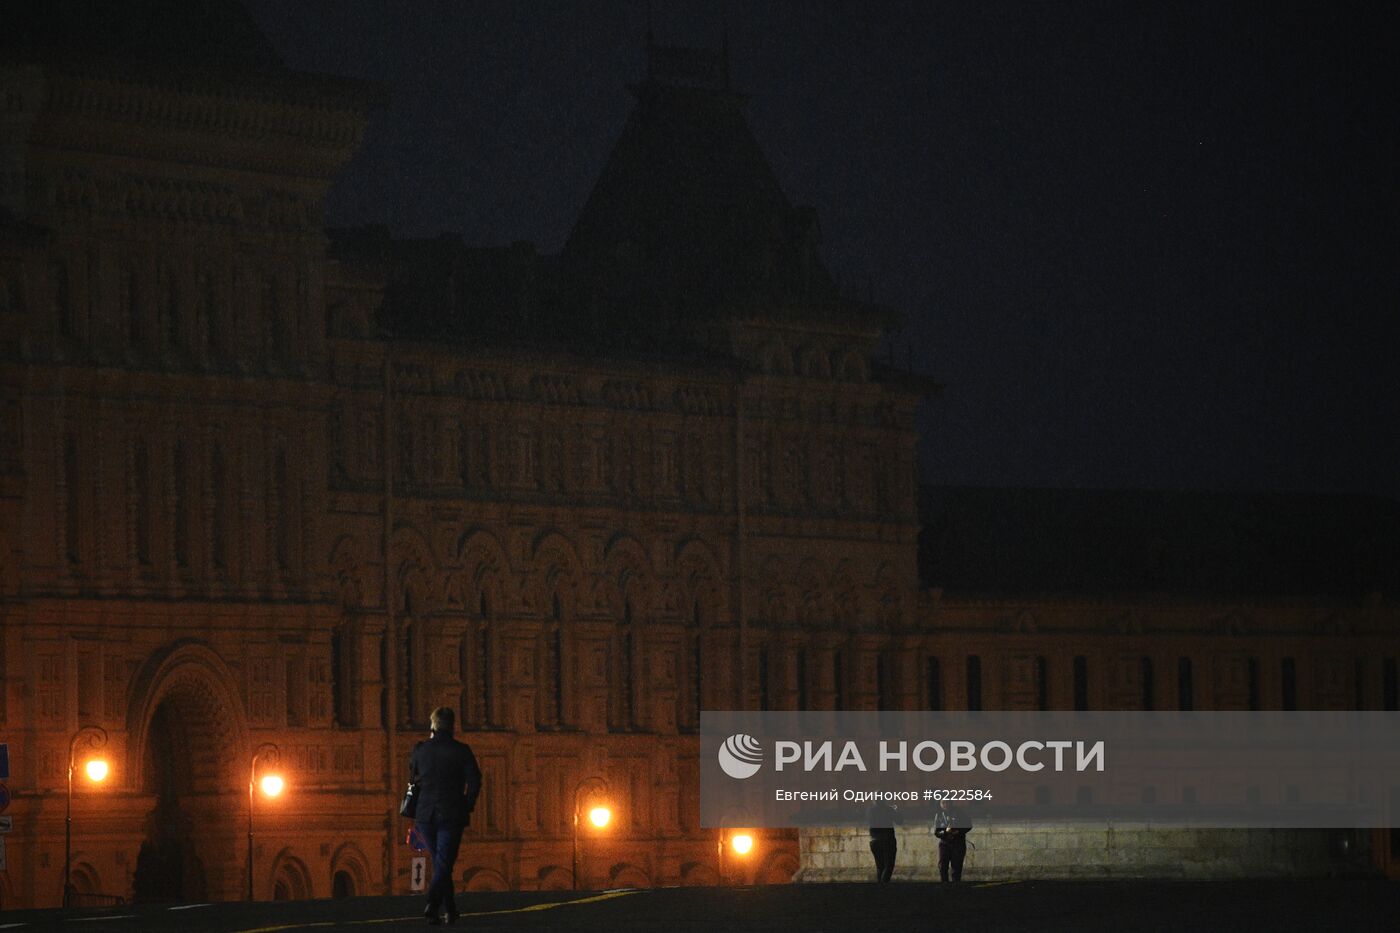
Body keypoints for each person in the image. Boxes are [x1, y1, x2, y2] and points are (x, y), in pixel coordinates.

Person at [409, 707, 482, 926]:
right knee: (443, 862)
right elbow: (475, 781)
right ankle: (432, 904)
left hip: (425, 815)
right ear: (452, 725)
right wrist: (467, 804)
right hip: (452, 814)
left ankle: (450, 910)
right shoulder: (462, 751)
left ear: (433, 725)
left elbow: (413, 776)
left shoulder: (420, 750)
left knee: (441, 861)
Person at [934, 798, 971, 882]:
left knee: (956, 867)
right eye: (943, 803)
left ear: (951, 802)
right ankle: (944, 887)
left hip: (958, 843)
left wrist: (958, 831)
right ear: (940, 804)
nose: (945, 805)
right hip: (944, 844)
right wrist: (945, 832)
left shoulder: (960, 813)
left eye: (947, 802)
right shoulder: (939, 815)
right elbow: (936, 833)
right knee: (942, 866)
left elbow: (969, 825)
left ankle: (956, 888)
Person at [866, 800, 900, 883]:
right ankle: (884, 888)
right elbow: (899, 821)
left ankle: (880, 889)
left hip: (874, 841)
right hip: (887, 840)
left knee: (880, 867)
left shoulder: (870, 810)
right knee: (888, 866)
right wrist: (896, 811)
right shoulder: (888, 809)